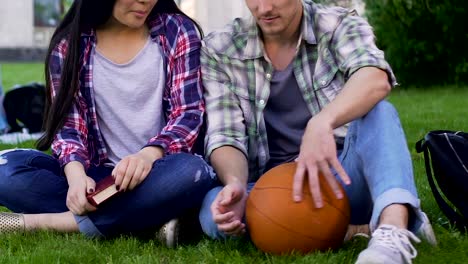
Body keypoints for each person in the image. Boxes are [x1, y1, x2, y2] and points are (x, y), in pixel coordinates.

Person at [198, 0, 437, 263]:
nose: (264, 8)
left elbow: (374, 77)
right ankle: (355, 230)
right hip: (276, 191)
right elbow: (225, 135)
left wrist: (322, 122)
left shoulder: (338, 24)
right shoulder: (220, 48)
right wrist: (236, 184)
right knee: (214, 213)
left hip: (341, 178)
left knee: (380, 112)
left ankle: (393, 232)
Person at [0, 0, 216, 247]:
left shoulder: (177, 30)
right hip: (98, 178)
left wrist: (147, 156)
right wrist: (76, 176)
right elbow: (68, 126)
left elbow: (187, 115)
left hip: (161, 170)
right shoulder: (69, 44)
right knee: (4, 172)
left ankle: (48, 222)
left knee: (191, 173)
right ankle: (150, 221)